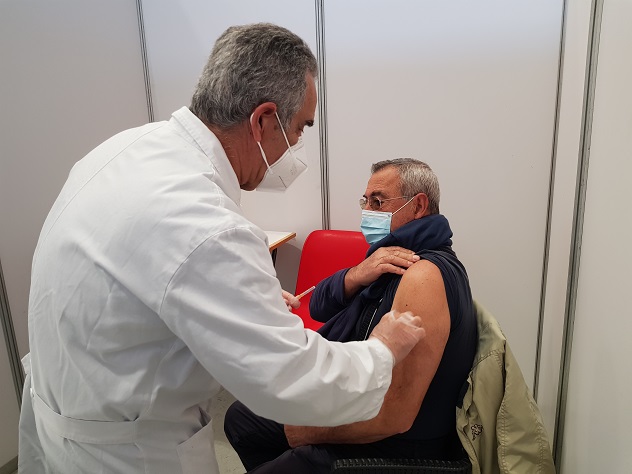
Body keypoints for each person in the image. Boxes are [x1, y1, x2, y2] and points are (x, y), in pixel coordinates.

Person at [18, 24, 427, 474]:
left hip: (67, 414)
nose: (297, 145)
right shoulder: (209, 227)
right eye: (299, 128)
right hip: (127, 454)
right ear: (263, 120)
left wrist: (244, 301)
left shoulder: (125, 149)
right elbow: (289, 378)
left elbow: (136, 290)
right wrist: (382, 350)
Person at [225, 159, 478, 473]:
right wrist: (356, 274)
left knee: (274, 440)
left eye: (378, 202)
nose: (367, 212)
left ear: (418, 206)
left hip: (397, 443)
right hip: (358, 396)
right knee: (241, 420)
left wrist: (305, 431)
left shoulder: (422, 276)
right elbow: (317, 306)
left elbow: (396, 416)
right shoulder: (389, 259)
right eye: (365, 201)